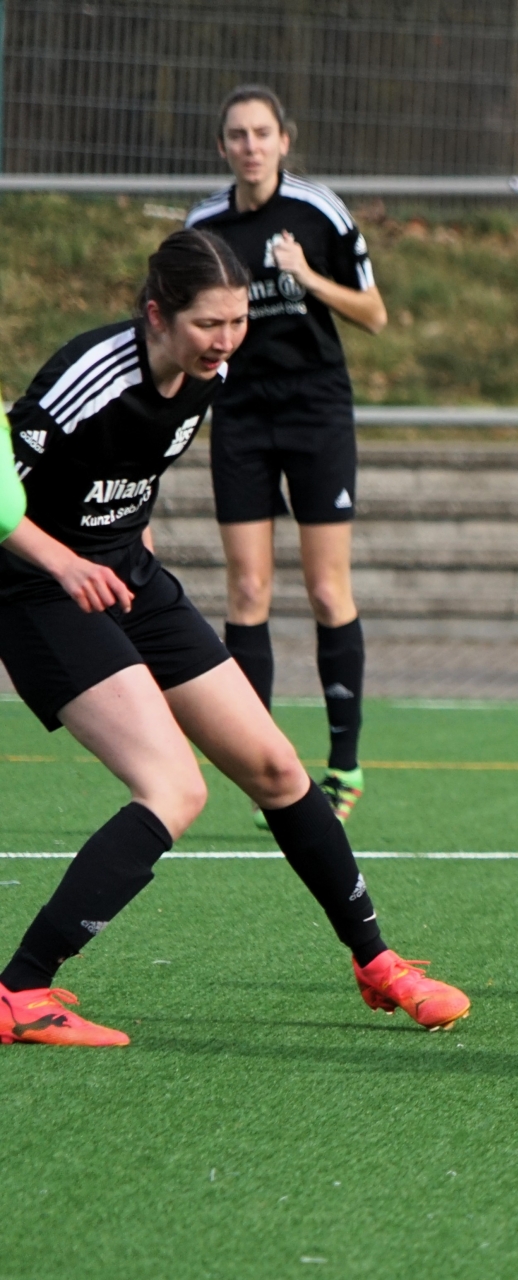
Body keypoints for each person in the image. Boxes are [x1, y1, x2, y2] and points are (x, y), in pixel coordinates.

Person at [0, 230, 466, 1046]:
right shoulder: (90, 377)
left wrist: (128, 556)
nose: (225, 340)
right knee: (175, 789)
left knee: (278, 769)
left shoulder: (209, 375)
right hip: (39, 588)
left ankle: (378, 963)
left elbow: (127, 477)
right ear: (157, 315)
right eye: (207, 324)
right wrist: (66, 563)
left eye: (237, 321)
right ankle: (19, 991)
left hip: (126, 576)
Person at [186, 85, 387, 823]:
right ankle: (266, 768)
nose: (250, 146)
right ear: (222, 147)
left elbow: (374, 314)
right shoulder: (204, 227)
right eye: (237, 134)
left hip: (315, 412)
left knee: (328, 590)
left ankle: (344, 766)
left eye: (262, 133)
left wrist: (306, 277)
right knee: (247, 590)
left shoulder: (318, 212)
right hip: (241, 416)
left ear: (284, 141)